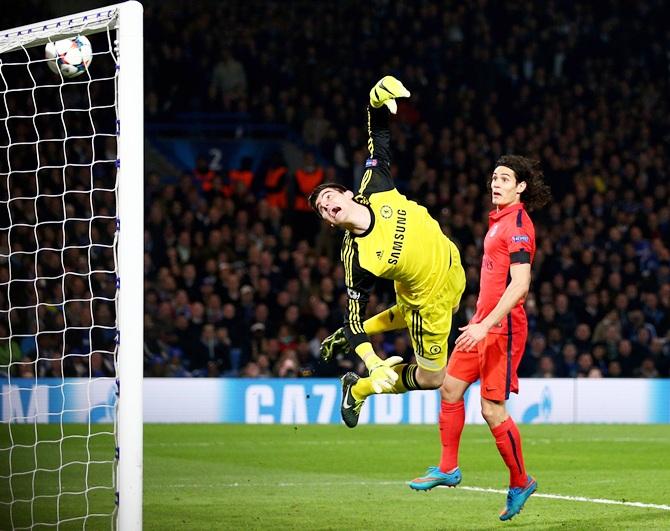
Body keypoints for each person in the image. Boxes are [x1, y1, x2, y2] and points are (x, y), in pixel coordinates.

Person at [309, 76, 466, 429]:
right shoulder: (357, 258)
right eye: (322, 208)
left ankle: (361, 339)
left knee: (448, 303)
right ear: (329, 223)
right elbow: (351, 314)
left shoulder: (375, 186)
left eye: (330, 196)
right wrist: (373, 362)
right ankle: (359, 389)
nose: (328, 205)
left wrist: (375, 103)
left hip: (453, 267)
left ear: (347, 194)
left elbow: (378, 138)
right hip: (428, 305)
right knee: (433, 380)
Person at [408, 155, 551, 521]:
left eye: (504, 178)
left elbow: (520, 285)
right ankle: (448, 468)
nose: (495, 183)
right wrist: (479, 321)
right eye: (493, 178)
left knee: (492, 410)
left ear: (520, 187)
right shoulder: (498, 222)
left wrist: (485, 326)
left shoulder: (519, 225)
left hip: (501, 330)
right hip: (482, 324)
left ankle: (521, 481)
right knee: (450, 388)